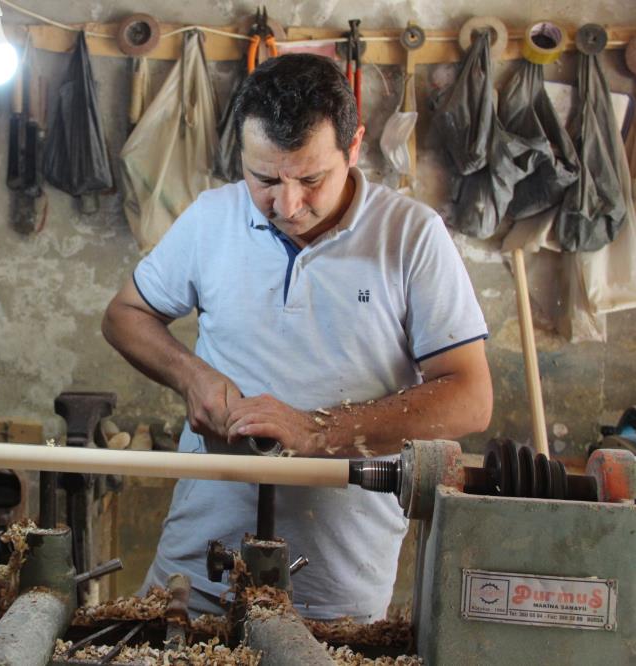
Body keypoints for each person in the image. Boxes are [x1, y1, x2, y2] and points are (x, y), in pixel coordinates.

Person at [101, 54, 493, 621]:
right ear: (241, 152)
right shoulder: (212, 218)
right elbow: (125, 314)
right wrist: (194, 376)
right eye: (264, 178)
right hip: (195, 568)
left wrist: (318, 432)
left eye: (311, 179)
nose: (287, 205)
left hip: (335, 590)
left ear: (353, 148)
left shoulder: (411, 237)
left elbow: (470, 396)